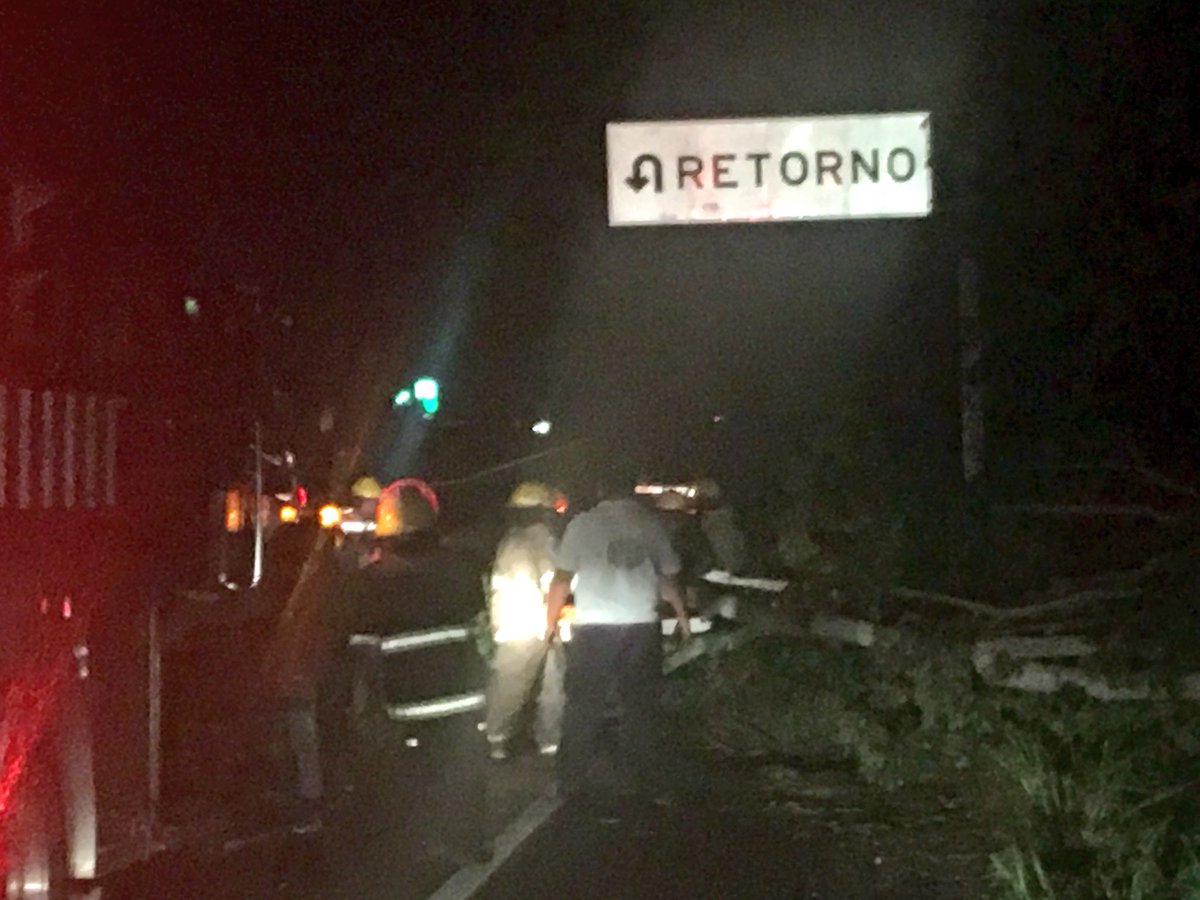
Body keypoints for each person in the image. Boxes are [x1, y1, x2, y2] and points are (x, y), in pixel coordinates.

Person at [344, 479, 491, 865]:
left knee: (419, 774)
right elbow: (481, 629)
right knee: (466, 766)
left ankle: (425, 847)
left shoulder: (372, 579)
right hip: (466, 693)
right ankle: (474, 841)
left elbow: (363, 651)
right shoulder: (463, 566)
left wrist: (364, 710)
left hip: (411, 699)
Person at [545, 471, 690, 801]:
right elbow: (668, 579)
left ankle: (570, 780)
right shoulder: (650, 524)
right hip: (641, 625)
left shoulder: (583, 524)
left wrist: (549, 624)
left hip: (594, 627)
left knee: (583, 704)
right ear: (633, 490)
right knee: (639, 706)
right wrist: (683, 619)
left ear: (600, 488)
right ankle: (640, 781)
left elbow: (561, 580)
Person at [485, 481, 567, 761]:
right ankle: (548, 742)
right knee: (551, 685)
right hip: (538, 625)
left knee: (513, 685)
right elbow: (556, 582)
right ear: (542, 512)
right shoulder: (542, 539)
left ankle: (499, 741)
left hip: (511, 625)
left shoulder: (509, 541)